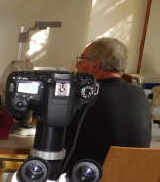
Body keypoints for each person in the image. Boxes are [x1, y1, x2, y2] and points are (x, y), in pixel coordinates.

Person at [65, 37, 151, 168]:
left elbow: (63, 142)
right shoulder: (140, 94)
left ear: (95, 65)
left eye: (81, 59)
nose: (77, 65)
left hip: (89, 176)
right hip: (131, 176)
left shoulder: (87, 95)